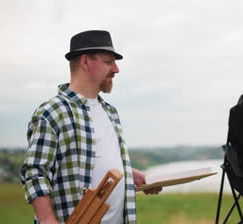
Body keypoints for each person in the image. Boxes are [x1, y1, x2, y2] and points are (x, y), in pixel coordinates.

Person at [21, 30, 161, 224]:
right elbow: (35, 172)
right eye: (108, 62)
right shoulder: (52, 112)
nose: (116, 69)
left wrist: (133, 176)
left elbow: (96, 161)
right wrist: (47, 220)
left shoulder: (110, 112)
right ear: (86, 61)